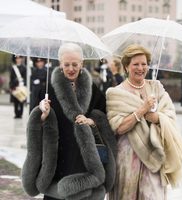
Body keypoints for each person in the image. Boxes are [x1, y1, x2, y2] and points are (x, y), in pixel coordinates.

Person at [22, 43, 117, 200]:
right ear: (60, 64)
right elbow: (33, 127)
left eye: (75, 64)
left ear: (82, 64)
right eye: (67, 64)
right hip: (57, 158)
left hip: (83, 160)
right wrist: (42, 114)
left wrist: (91, 121)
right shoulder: (46, 90)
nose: (71, 68)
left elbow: (103, 118)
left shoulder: (93, 88)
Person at [106, 44, 182, 200]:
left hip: (155, 156)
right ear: (126, 67)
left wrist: (156, 117)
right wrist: (142, 110)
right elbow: (118, 128)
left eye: (144, 64)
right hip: (128, 157)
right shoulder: (115, 93)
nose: (140, 68)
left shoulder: (156, 87)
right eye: (135, 64)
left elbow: (170, 116)